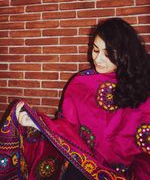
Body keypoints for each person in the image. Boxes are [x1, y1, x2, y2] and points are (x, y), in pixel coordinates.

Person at [0, 17, 150, 180]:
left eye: (108, 54)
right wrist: (38, 125)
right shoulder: (81, 84)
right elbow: (67, 128)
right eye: (95, 50)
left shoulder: (143, 88)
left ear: (124, 55)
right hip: (81, 166)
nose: (98, 59)